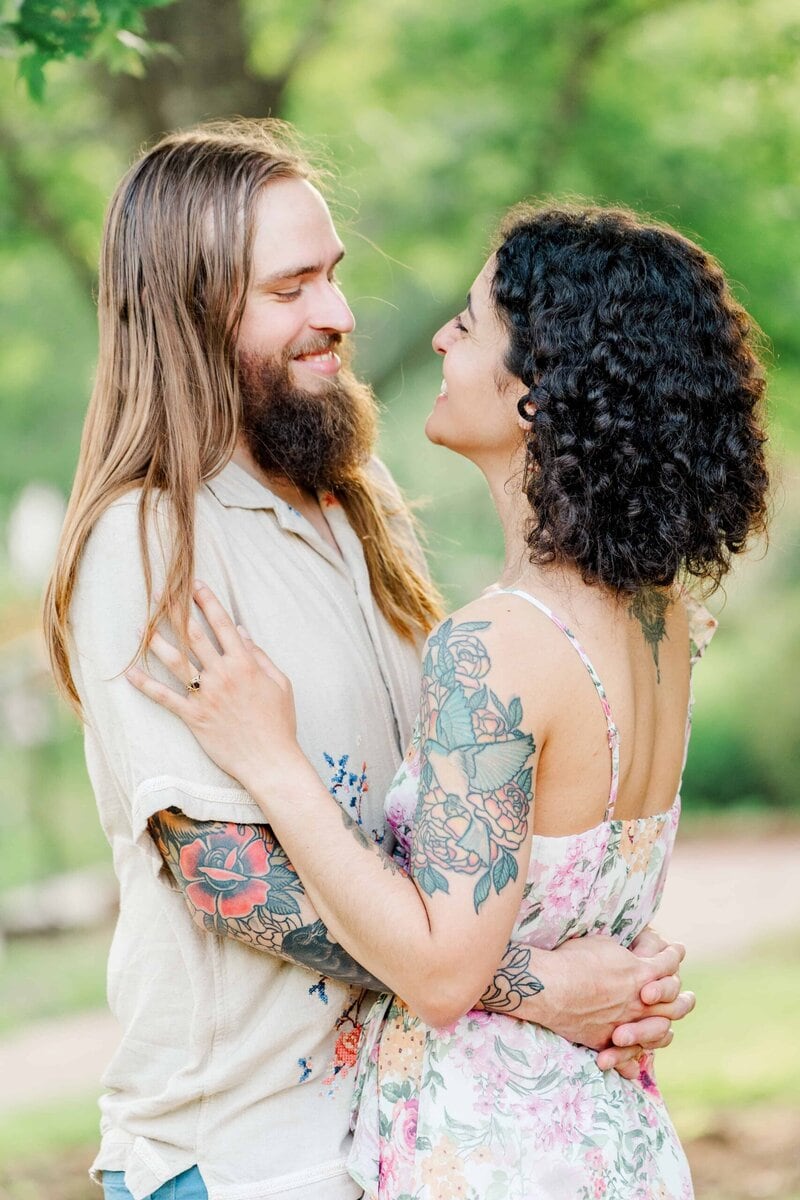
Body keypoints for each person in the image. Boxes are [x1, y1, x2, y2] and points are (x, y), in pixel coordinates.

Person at [44, 121, 693, 1200]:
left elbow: (453, 835)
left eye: (333, 278)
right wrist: (536, 985)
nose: (338, 315)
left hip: (399, 1130)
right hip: (250, 1154)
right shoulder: (152, 542)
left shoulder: (356, 501)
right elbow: (229, 877)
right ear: (192, 310)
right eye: (291, 288)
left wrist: (600, 961)